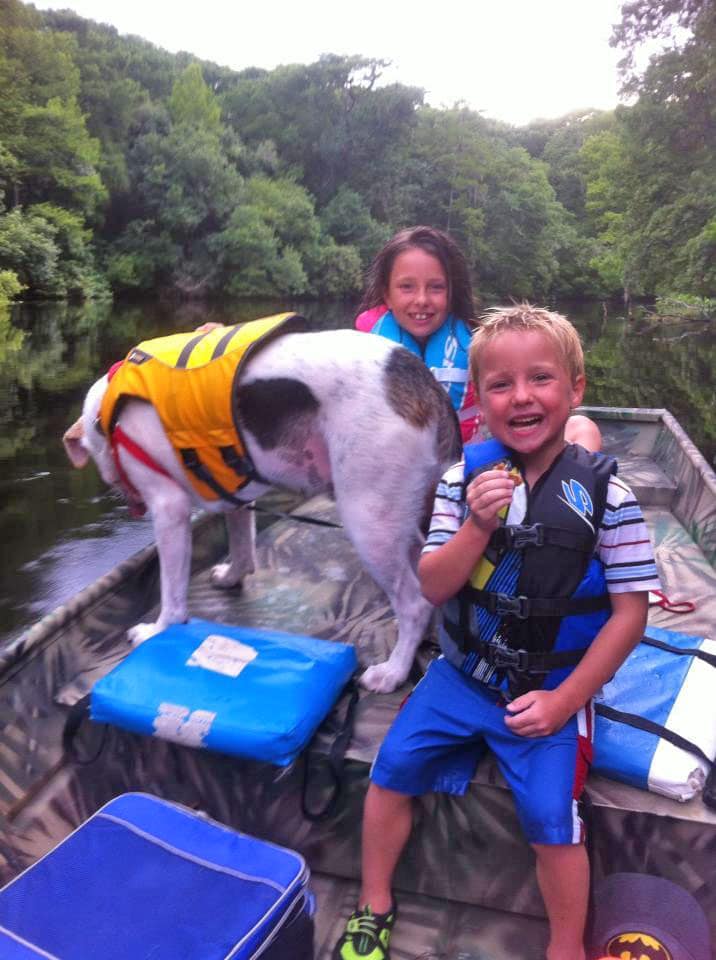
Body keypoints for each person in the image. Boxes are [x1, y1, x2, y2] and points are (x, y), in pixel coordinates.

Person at [333, 304, 660, 960]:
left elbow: (631, 613)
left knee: (551, 822)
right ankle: (374, 902)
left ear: (575, 390)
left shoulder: (611, 500)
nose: (522, 397)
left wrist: (566, 703)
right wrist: (477, 527)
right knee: (391, 768)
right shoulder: (462, 481)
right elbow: (432, 585)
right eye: (501, 385)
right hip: (461, 677)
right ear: (479, 401)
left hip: (551, 689)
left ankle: (564, 946)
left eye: (540, 379)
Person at [355, 225, 600, 450]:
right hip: (393, 465)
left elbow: (508, 408)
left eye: (436, 287)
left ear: (452, 293)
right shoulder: (361, 348)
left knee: (583, 428)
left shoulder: (478, 345)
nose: (421, 299)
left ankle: (567, 486)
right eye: (407, 287)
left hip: (465, 462)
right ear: (387, 294)